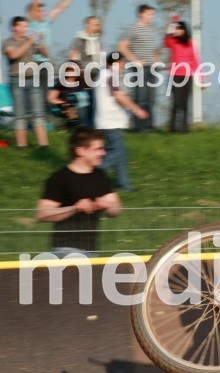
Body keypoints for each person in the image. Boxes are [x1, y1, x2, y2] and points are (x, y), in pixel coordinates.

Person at [36, 127, 121, 258]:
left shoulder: (101, 176)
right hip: (64, 251)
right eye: (98, 149)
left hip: (92, 251)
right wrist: (75, 208)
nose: (103, 153)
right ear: (80, 151)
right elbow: (42, 214)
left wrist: (108, 206)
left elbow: (117, 210)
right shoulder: (59, 178)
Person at [94, 52, 149, 192]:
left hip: (107, 121)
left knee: (121, 153)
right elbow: (118, 96)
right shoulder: (111, 75)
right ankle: (91, 176)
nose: (123, 66)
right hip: (110, 122)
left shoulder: (103, 74)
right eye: (122, 62)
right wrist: (137, 110)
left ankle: (124, 185)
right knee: (116, 153)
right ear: (115, 63)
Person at [3, 16, 49, 147]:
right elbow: (14, 55)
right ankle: (22, 146)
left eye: (26, 26)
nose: (25, 29)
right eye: (22, 26)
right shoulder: (8, 42)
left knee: (39, 113)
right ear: (14, 28)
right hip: (17, 80)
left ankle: (43, 145)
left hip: (33, 79)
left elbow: (45, 53)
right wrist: (30, 41)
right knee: (20, 114)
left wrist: (41, 42)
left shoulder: (30, 42)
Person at [118, 4, 159, 132]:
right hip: (139, 68)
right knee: (140, 98)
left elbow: (152, 50)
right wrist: (134, 60)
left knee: (150, 99)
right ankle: (139, 127)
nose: (151, 17)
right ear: (141, 14)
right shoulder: (134, 28)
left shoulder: (151, 30)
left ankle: (149, 126)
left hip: (151, 68)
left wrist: (156, 61)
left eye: (152, 14)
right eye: (149, 14)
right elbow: (122, 46)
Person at [164, 18, 200, 133]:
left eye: (179, 28)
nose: (177, 30)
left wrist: (201, 76)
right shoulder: (172, 41)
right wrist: (172, 24)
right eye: (176, 29)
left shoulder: (190, 44)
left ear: (184, 30)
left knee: (185, 103)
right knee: (176, 103)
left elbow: (195, 60)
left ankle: (184, 128)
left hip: (188, 76)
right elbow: (165, 42)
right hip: (175, 75)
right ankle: (173, 128)